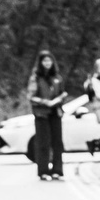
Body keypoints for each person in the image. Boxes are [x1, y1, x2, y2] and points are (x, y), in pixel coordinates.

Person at [26, 50, 66, 180]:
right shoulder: (36, 78)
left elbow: (62, 93)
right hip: (41, 113)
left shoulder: (57, 78)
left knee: (57, 143)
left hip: (55, 112)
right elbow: (31, 96)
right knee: (43, 143)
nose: (47, 63)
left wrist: (58, 100)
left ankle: (57, 170)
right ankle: (43, 171)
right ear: (40, 63)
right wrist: (45, 102)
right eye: (45, 61)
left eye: (49, 60)